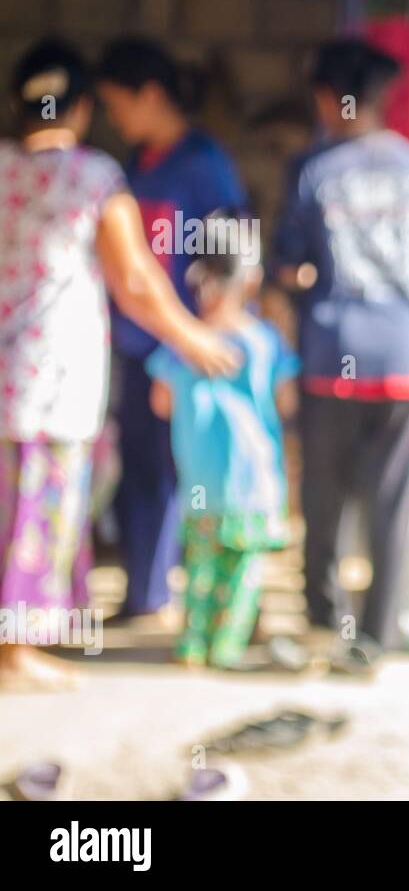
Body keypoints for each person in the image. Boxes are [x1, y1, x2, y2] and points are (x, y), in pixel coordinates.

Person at [0, 40, 237, 691]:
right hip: (51, 380)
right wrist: (192, 337)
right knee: (38, 511)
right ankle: (15, 653)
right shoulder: (94, 175)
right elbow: (134, 276)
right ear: (79, 108)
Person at [272, 39, 409, 666]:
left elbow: (288, 265)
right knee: (390, 501)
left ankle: (325, 621)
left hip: (333, 357)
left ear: (328, 97)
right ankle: (377, 633)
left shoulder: (312, 170)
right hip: (408, 360)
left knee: (323, 496)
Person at [95, 38, 250, 624]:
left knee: (198, 474)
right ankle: (147, 594)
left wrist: (212, 330)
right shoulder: (135, 165)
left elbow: (234, 253)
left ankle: (208, 605)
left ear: (150, 96)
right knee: (142, 472)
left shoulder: (205, 165)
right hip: (141, 346)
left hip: (193, 352)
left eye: (117, 103)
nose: (114, 118)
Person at [147, 212, 299, 670]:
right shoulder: (265, 342)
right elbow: (286, 403)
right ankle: (227, 646)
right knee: (242, 570)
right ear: (250, 280)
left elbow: (161, 403)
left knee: (199, 567)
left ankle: (191, 644)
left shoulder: (181, 344)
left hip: (199, 482)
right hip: (252, 483)